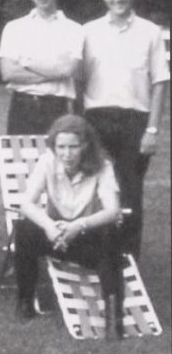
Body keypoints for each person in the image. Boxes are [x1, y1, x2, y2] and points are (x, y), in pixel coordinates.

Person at [81, 0, 169, 258]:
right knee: (96, 187)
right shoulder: (89, 31)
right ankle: (96, 254)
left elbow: (159, 82)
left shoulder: (151, 32)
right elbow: (77, 78)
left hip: (135, 121)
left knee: (130, 192)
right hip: (96, 118)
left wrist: (152, 130)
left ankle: (128, 260)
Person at [14, 114, 123, 338]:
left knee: (111, 234)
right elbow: (25, 203)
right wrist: (49, 227)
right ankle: (25, 299)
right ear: (54, 145)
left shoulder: (103, 165)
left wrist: (78, 226)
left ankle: (114, 318)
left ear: (85, 145)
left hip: (86, 238)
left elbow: (112, 210)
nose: (66, 154)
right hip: (56, 235)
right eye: (61, 146)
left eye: (73, 147)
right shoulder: (47, 161)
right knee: (24, 228)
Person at [0, 0, 83, 134]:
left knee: (56, 159)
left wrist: (26, 63)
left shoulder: (74, 29)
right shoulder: (14, 28)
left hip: (57, 108)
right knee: (21, 159)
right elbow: (8, 73)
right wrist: (54, 74)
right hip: (22, 107)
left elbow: (67, 70)